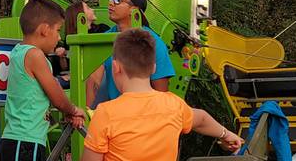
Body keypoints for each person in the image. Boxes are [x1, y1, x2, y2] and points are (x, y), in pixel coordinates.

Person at [82, 29, 243, 161]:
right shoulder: (174, 105)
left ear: (116, 67)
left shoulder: (105, 113)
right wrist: (226, 134)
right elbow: (200, 118)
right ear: (153, 68)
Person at [0, 0, 86, 161]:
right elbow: (56, 96)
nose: (59, 38)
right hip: (25, 141)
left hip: (17, 140)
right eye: (58, 30)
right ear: (45, 29)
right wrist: (73, 110)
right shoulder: (35, 55)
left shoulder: (19, 51)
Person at [86, 0, 175, 108]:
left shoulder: (152, 42)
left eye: (118, 0)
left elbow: (161, 91)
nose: (111, 3)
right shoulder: (104, 39)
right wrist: (86, 114)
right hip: (116, 113)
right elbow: (94, 80)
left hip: (145, 114)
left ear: (134, 10)